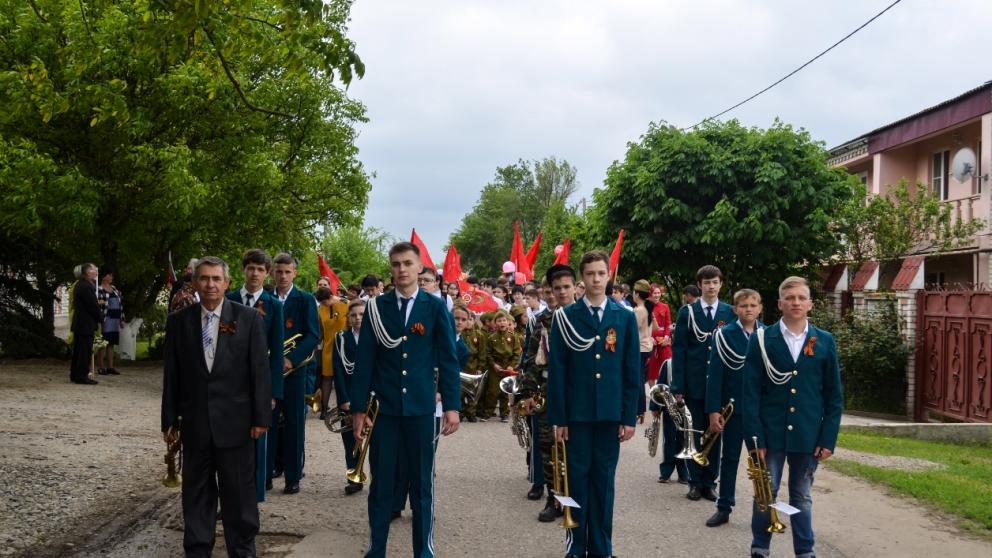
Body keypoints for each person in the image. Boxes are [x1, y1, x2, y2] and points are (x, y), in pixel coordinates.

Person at [349, 241, 461, 558]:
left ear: (419, 267)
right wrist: (359, 409)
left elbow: (448, 360)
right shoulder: (376, 307)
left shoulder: (436, 307)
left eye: (407, 264)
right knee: (381, 484)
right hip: (384, 411)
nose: (401, 270)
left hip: (421, 410)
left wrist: (451, 406)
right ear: (391, 268)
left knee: (421, 485)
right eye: (396, 264)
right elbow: (365, 361)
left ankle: (423, 551)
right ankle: (377, 548)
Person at [161, 256, 271, 558]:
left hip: (237, 426)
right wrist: (168, 420)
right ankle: (197, 550)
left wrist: (261, 417)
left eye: (216, 279)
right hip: (195, 425)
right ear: (195, 283)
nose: (210, 284)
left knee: (239, 497)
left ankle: (243, 550)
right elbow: (172, 374)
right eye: (204, 278)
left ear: (227, 283)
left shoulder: (248, 319)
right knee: (196, 495)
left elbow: (260, 371)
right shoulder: (179, 322)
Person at [547, 251, 640, 558]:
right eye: (590, 274)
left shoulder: (624, 317)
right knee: (576, 481)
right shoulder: (565, 317)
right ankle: (575, 546)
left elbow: (631, 370)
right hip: (577, 415)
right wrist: (558, 417)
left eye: (601, 273)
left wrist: (629, 416)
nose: (596, 280)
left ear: (608, 275)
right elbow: (558, 371)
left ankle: (602, 547)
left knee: (603, 483)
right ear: (581, 279)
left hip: (610, 414)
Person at [744, 277, 842, 558]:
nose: (796, 302)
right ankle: (760, 547)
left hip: (808, 434)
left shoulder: (824, 341)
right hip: (770, 433)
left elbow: (834, 397)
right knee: (766, 493)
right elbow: (750, 393)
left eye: (801, 298)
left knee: (802, 496)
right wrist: (754, 438)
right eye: (790, 298)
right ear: (779, 303)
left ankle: (804, 550)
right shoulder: (762, 340)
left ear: (810, 303)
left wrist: (828, 439)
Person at [226, 248, 286, 503]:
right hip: (228, 380)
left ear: (267, 274)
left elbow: (277, 351)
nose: (254, 273)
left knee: (258, 439)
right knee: (229, 440)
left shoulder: (273, 305)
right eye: (251, 268)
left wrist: (273, 392)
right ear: (243, 270)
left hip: (259, 380)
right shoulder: (228, 300)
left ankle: (254, 497)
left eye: (260, 269)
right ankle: (229, 494)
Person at [671, 265, 735, 502]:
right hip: (695, 382)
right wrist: (677, 386)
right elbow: (679, 350)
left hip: (719, 386)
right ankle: (695, 482)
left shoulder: (729, 312)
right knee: (695, 432)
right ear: (699, 285)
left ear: (721, 284)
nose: (711, 286)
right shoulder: (687, 312)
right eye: (707, 282)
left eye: (715, 282)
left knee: (715, 433)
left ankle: (710, 482)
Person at [703, 288, 764, 527]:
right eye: (743, 305)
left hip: (758, 411)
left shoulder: (767, 335)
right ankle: (724, 506)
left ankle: (764, 507)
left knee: (760, 460)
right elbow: (714, 375)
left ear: (760, 308)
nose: (748, 309)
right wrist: (713, 410)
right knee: (729, 459)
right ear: (735, 309)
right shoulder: (723, 334)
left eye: (753, 305)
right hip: (733, 408)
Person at [520, 264, 576, 523]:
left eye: (565, 287)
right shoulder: (543, 321)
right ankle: (554, 499)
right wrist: (529, 393)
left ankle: (576, 499)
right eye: (555, 289)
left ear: (576, 288)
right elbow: (532, 359)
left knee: (576, 450)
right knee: (547, 448)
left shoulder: (583, 317)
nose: (559, 293)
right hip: (547, 391)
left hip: (578, 394)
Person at [269, 253, 320, 495]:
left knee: (294, 424)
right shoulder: (266, 298)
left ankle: (293, 476)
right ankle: (267, 472)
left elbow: (312, 335)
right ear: (272, 272)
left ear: (294, 273)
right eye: (278, 271)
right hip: (267, 371)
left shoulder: (306, 299)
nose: (282, 276)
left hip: (295, 371)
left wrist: (291, 359)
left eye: (287, 272)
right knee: (266, 421)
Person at [332, 298, 366, 495]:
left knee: (375, 440)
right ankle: (354, 476)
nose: (358, 318)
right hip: (349, 395)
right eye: (353, 315)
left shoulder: (375, 338)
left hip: (371, 395)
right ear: (348, 318)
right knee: (350, 440)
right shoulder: (341, 338)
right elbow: (338, 368)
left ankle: (380, 478)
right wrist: (343, 399)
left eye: (362, 314)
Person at [483, 309, 521, 423]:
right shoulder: (491, 337)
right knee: (493, 391)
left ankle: (504, 414)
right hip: (496, 366)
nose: (502, 323)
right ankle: (488, 412)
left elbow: (516, 353)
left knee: (506, 390)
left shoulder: (513, 337)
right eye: (499, 321)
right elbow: (488, 353)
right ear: (495, 323)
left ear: (507, 322)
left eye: (504, 320)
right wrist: (493, 364)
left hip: (508, 366)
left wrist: (511, 366)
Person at [317, 286, 349, 418]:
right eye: (321, 303)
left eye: (325, 302)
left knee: (344, 378)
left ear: (331, 297)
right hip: (328, 347)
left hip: (344, 346)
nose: (323, 305)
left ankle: (344, 407)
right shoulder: (321, 309)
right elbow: (320, 330)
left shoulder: (346, 305)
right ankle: (324, 410)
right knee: (327, 379)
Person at [70, 263, 102, 385]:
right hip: (85, 324)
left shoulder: (81, 285)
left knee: (79, 350)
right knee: (84, 351)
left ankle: (75, 374)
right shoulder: (86, 286)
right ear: (88, 272)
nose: (96, 271)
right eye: (94, 269)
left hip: (81, 323)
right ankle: (82, 375)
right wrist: (100, 318)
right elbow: (92, 306)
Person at [458, 305, 489, 423]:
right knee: (460, 391)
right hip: (461, 366)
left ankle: (471, 412)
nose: (469, 322)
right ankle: (460, 411)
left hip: (474, 365)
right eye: (467, 320)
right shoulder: (459, 334)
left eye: (471, 319)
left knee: (473, 391)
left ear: (474, 321)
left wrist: (480, 367)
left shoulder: (479, 335)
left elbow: (482, 353)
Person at [631, 280, 655, 420]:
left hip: (639, 348)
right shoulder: (648, 309)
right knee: (640, 378)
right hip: (647, 346)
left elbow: (632, 331)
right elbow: (656, 328)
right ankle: (640, 410)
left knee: (638, 379)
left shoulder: (639, 310)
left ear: (637, 294)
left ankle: (639, 410)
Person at [97, 271, 124, 376]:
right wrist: (106, 302)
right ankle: (101, 367)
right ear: (104, 276)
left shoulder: (114, 289)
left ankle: (110, 367)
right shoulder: (99, 289)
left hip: (115, 320)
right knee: (103, 343)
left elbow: (120, 303)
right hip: (106, 319)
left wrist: (122, 318)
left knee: (111, 343)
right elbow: (98, 302)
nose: (112, 277)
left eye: (112, 275)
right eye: (110, 275)